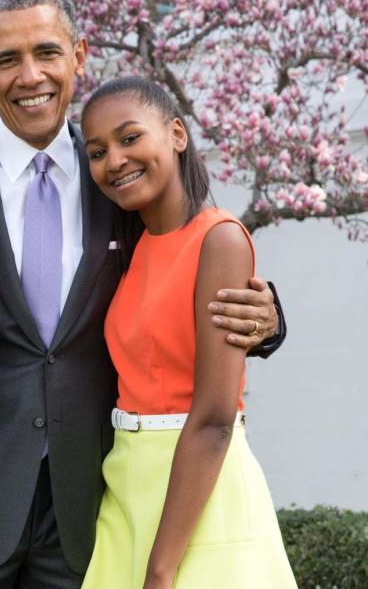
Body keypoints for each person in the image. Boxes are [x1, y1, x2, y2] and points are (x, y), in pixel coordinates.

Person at [0, 0, 286, 588]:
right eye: (7, 59)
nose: (30, 75)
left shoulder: (120, 179)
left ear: (80, 56)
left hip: (93, 500)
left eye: (47, 52)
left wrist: (268, 320)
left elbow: (189, 257)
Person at [78, 76, 295, 588]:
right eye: (97, 151)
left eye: (130, 138)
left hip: (202, 491)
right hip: (127, 486)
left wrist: (162, 568)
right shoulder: (131, 249)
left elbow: (216, 417)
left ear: (176, 134)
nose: (114, 161)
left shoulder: (218, 239)